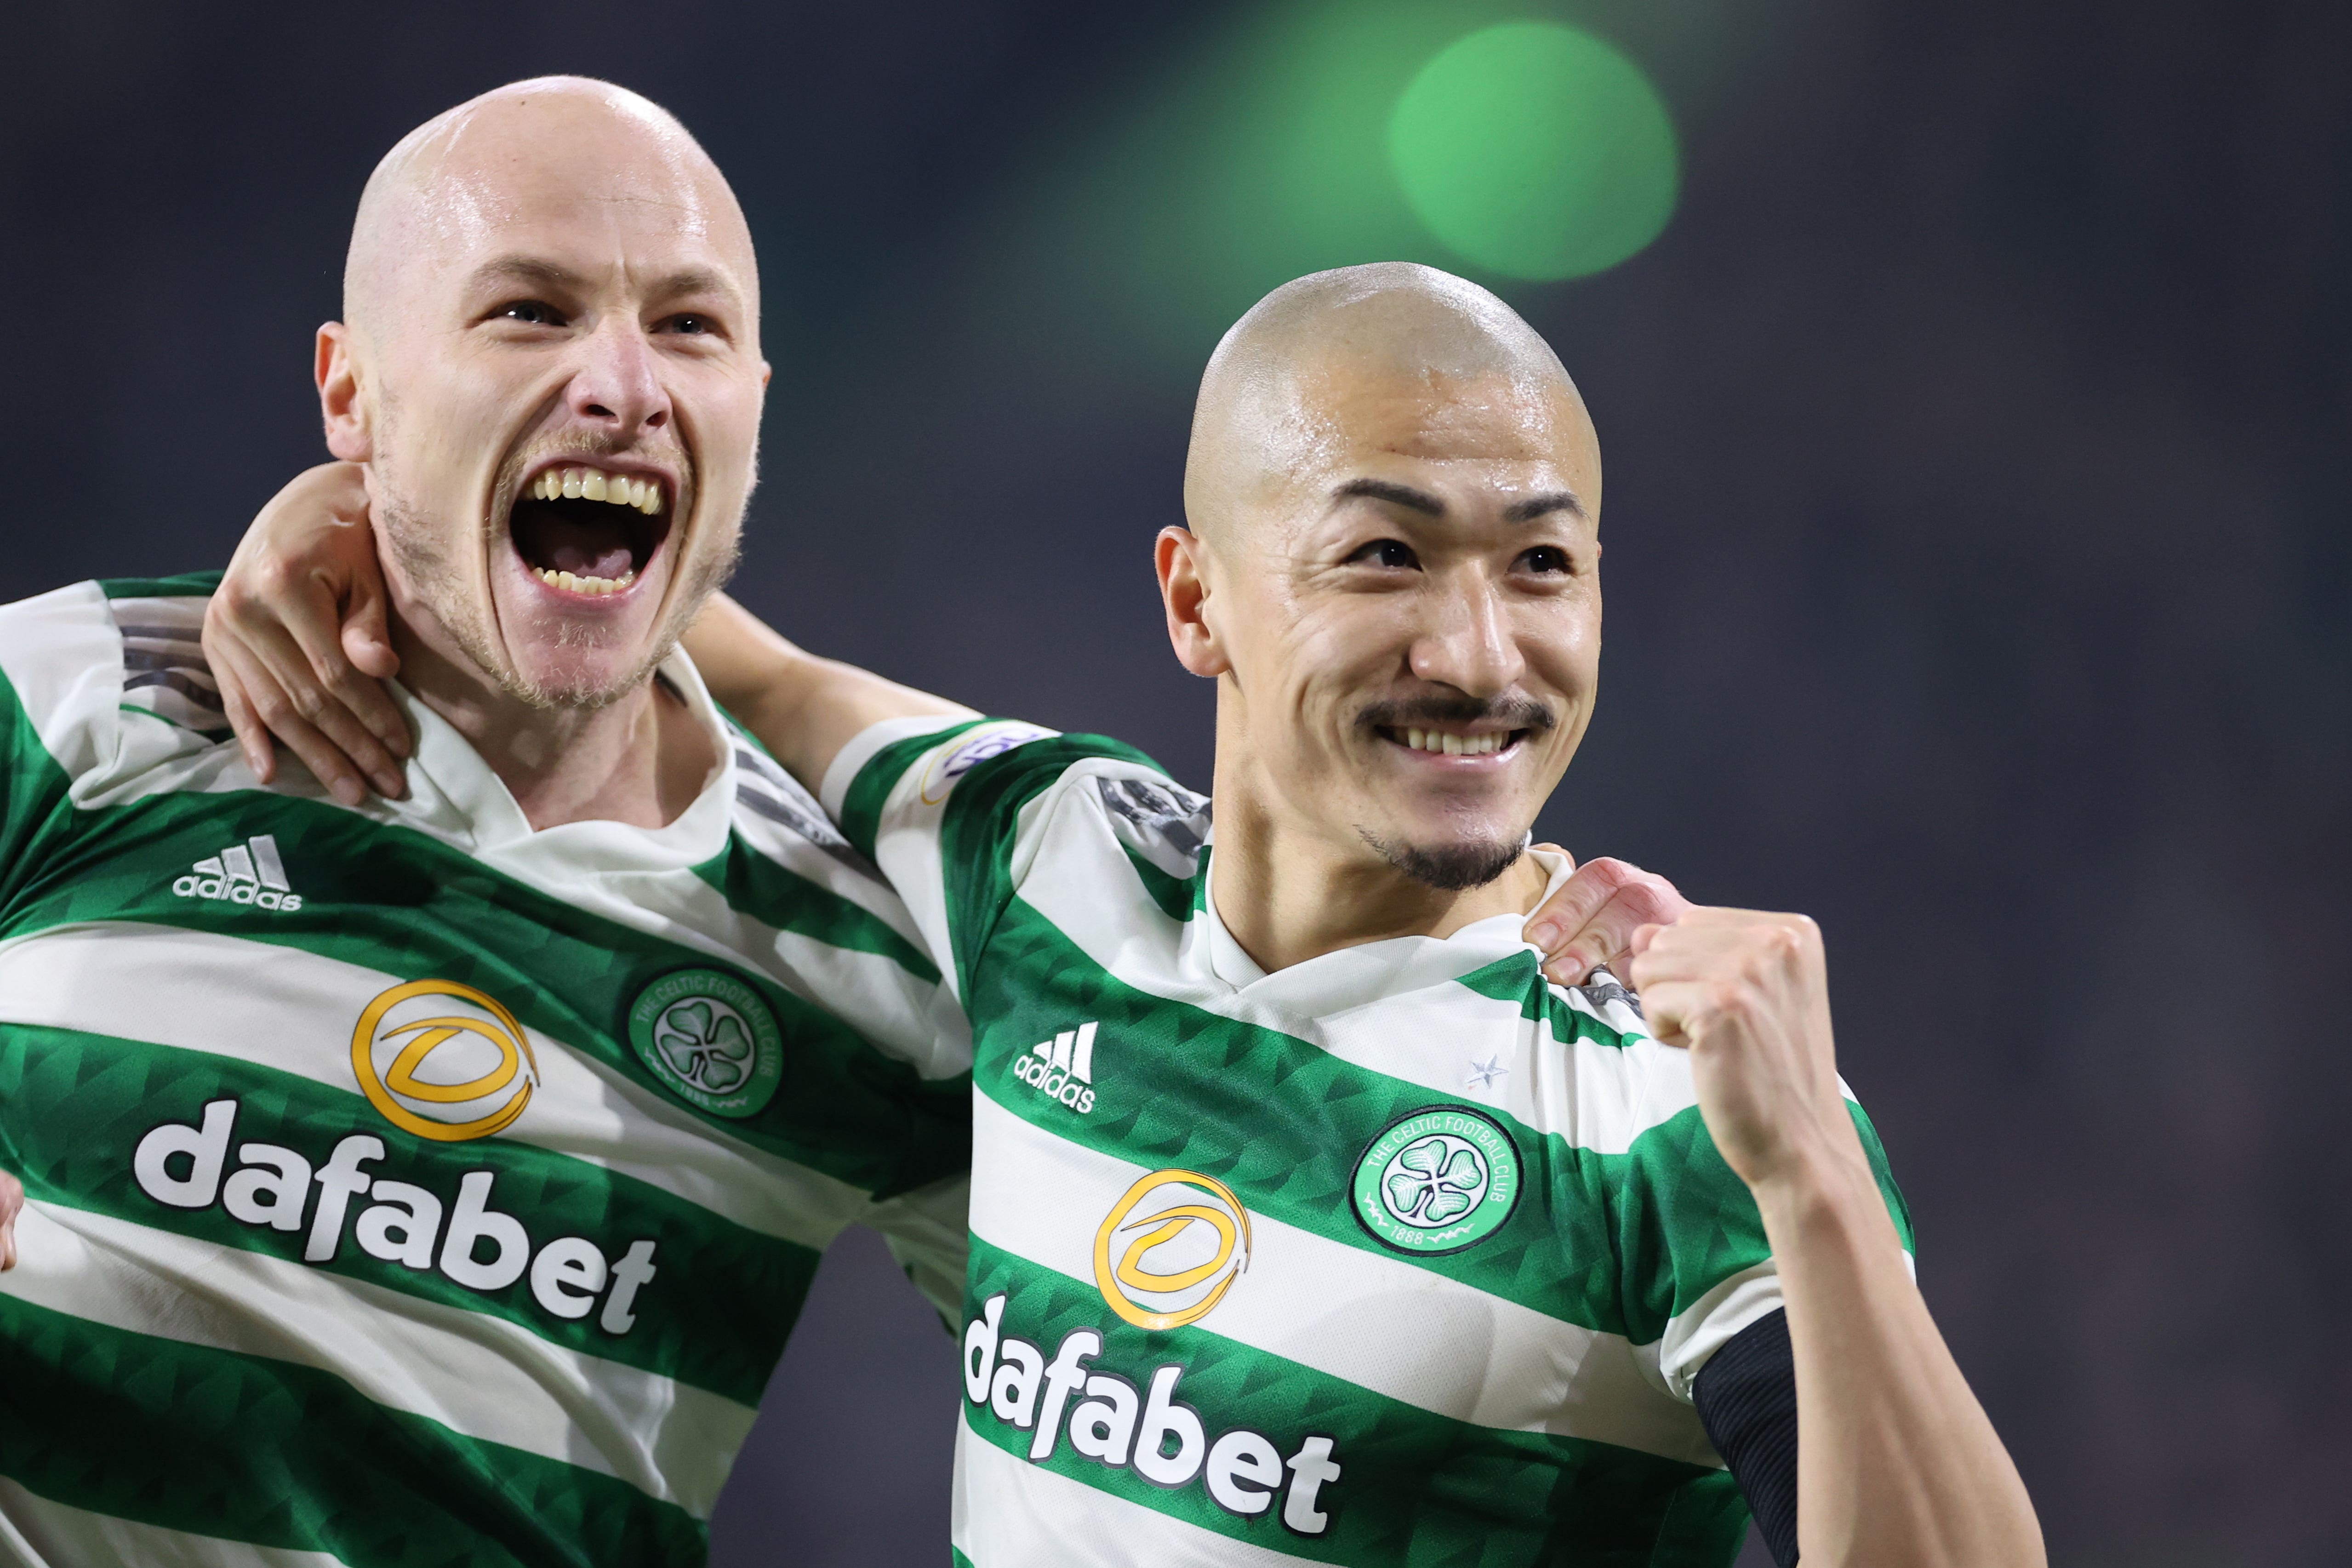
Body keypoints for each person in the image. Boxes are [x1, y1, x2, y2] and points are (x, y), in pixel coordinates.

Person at [209, 266, 2044, 1565]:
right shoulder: (1044, 853)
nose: (1481, 652)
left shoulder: (1657, 1092)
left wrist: (1807, 1174)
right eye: (1385, 554)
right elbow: (674, 614)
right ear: (1197, 600)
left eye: (1542, 564)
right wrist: (348, 505)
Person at [0, 78, 976, 1566]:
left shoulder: (862, 946)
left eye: (691, 327)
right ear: (354, 395)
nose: (624, 384)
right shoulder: (82, 699)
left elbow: (1168, 1386)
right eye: (530, 310)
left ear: (755, 406)